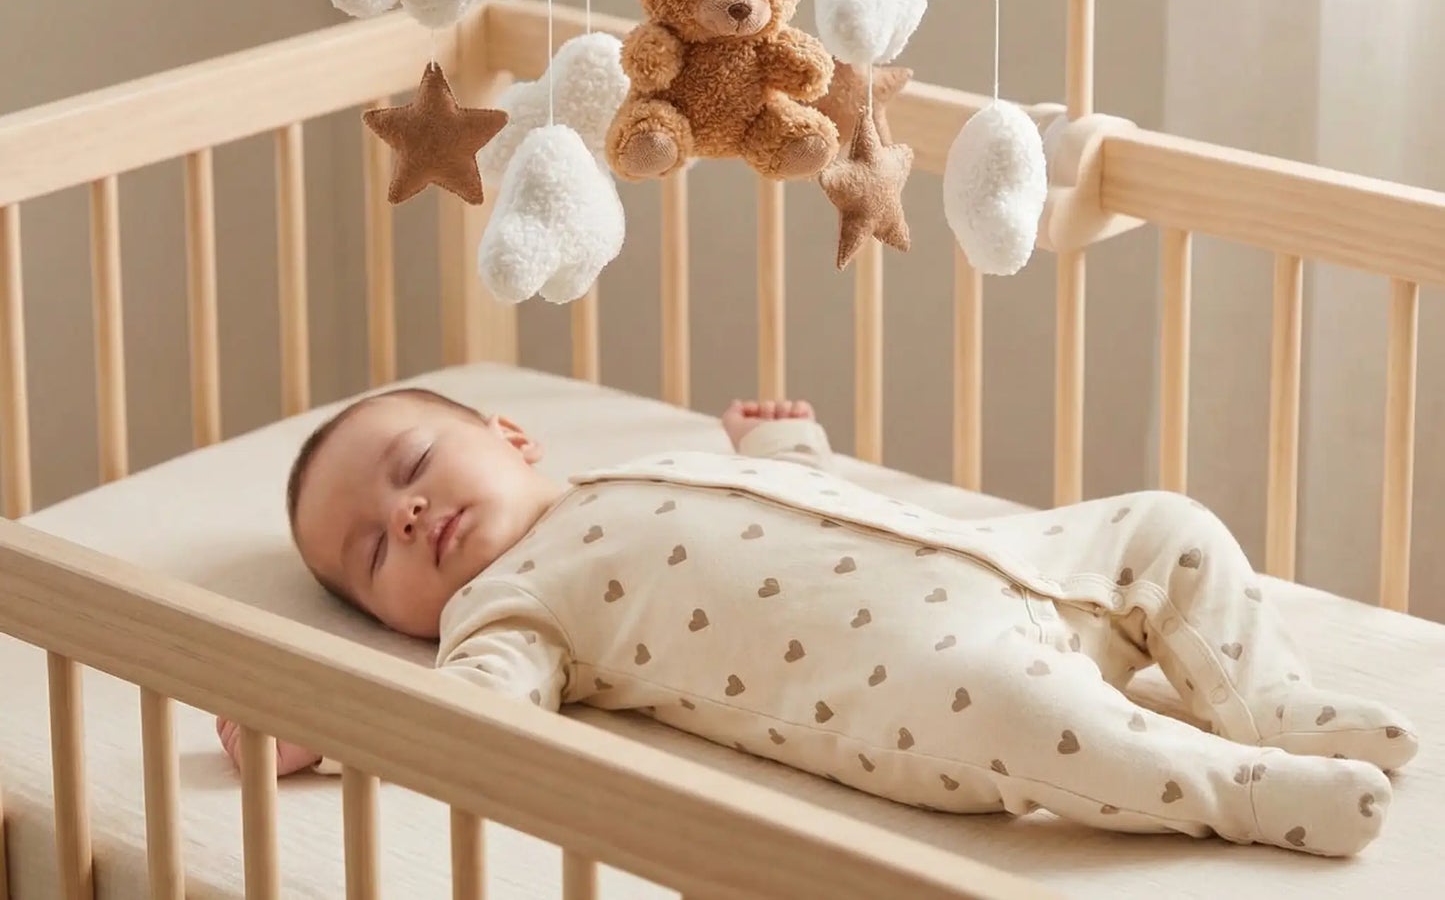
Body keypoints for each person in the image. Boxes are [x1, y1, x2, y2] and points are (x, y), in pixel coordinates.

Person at [218, 386, 1415, 857]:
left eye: (415, 461)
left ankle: (1260, 692)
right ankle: (1237, 781)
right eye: (370, 552)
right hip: (931, 674)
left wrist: (778, 444)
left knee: (1166, 520)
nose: (407, 509)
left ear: (512, 433)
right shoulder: (503, 610)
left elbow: (801, 500)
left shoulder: (640, 460)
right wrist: (323, 724)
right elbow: (464, 721)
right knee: (1027, 715)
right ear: (392, 616)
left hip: (1013, 560)